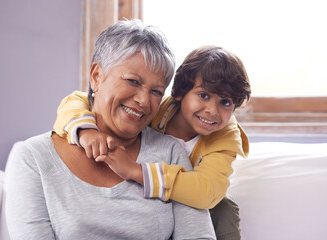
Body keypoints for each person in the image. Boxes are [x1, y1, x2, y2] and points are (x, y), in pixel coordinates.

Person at [5, 20, 216, 239]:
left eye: (156, 91)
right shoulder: (34, 157)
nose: (144, 100)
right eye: (133, 81)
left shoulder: (170, 152)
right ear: (97, 76)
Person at [53, 45, 251, 239]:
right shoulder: (156, 108)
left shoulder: (226, 136)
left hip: (201, 198)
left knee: (224, 209)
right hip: (154, 192)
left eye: (225, 102)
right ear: (180, 93)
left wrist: (134, 170)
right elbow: (76, 100)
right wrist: (86, 131)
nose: (213, 111)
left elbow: (207, 191)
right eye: (203, 95)